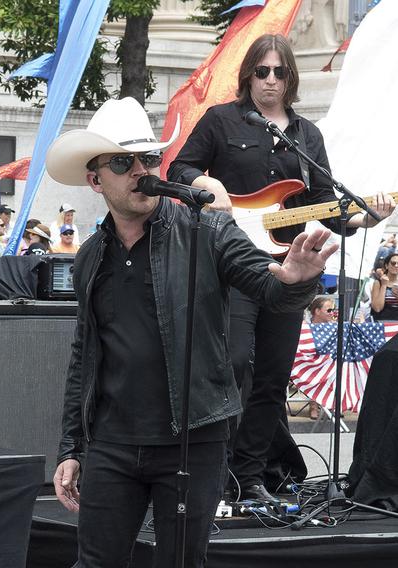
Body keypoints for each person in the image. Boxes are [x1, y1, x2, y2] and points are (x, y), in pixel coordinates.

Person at [47, 96, 336, 568]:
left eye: (150, 158)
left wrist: (296, 282)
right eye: (124, 162)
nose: (142, 170)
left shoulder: (206, 230)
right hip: (112, 443)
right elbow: (85, 354)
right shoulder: (90, 258)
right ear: (95, 180)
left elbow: (269, 289)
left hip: (192, 439)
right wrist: (71, 448)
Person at [167, 34, 395, 502]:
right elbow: (178, 170)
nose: (270, 80)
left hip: (288, 270)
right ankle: (216, 469)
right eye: (262, 71)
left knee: (273, 374)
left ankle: (249, 477)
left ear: (291, 78)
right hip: (231, 266)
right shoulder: (221, 120)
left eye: (280, 72)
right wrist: (206, 181)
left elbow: (323, 205)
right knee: (231, 364)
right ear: (248, 74)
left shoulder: (306, 135)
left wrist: (365, 215)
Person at [371, 252, 398, 321]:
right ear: (386, 266)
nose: (396, 265)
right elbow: (377, 308)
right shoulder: (378, 283)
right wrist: (384, 285)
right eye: (393, 263)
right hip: (383, 323)